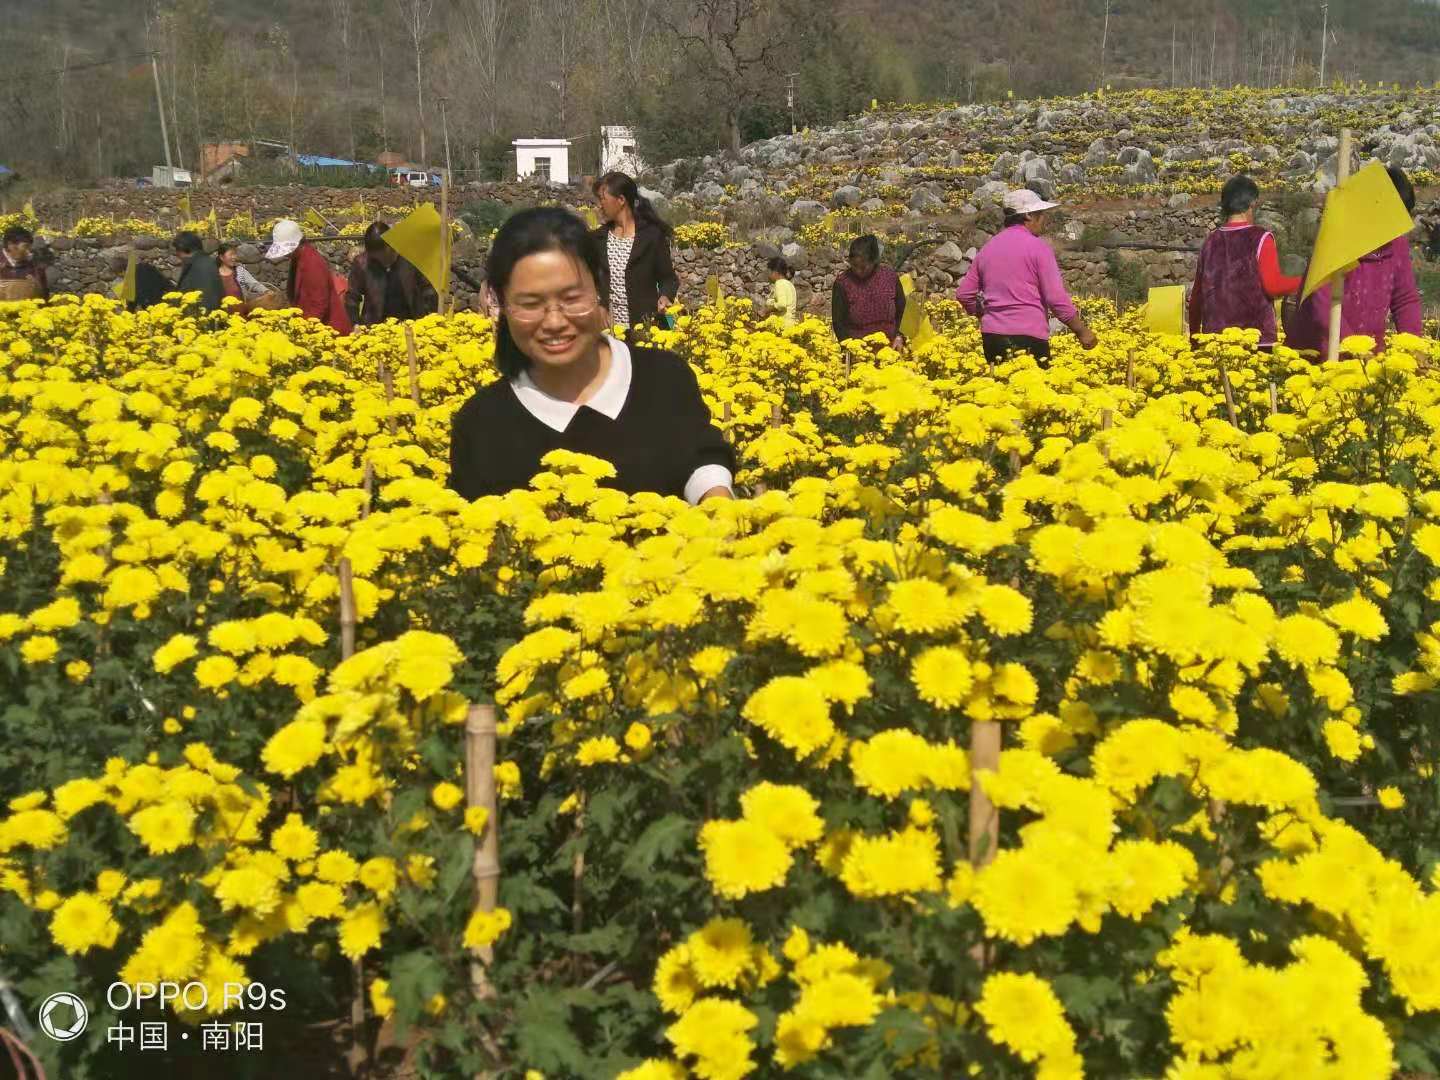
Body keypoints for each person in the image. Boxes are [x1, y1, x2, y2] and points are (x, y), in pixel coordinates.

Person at [449, 207, 734, 504]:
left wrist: (716, 501)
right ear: (500, 303)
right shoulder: (481, 424)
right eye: (531, 304)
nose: (555, 322)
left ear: (598, 288)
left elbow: (701, 457)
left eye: (572, 298)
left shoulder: (664, 378)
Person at [1285, 166, 1423, 355]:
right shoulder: (1338, 237)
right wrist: (1352, 346)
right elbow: (1321, 299)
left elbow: (1405, 299)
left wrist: (1413, 347)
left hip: (1368, 354)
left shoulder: (1396, 245)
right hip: (1318, 352)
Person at [955, 190, 1097, 364]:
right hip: (1029, 338)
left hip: (992, 338)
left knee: (1001, 387)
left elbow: (963, 293)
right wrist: (1081, 331)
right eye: (1041, 214)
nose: (1043, 219)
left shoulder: (988, 248)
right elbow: (1055, 298)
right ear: (1029, 215)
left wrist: (980, 314)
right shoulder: (1038, 248)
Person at [1188, 175, 1302, 349]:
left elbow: (1197, 297)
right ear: (1252, 203)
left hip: (1215, 343)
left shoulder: (1209, 242)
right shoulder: (1260, 238)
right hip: (1256, 341)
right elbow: (1274, 286)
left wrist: (1195, 340)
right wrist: (1307, 280)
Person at [591, 171, 679, 328]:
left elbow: (668, 279)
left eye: (602, 199)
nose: (599, 205)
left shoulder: (651, 236)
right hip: (610, 333)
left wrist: (665, 296)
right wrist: (599, 304)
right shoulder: (598, 239)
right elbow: (589, 281)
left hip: (645, 328)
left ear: (621, 200)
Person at [345, 222, 438, 328]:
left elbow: (428, 290)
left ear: (391, 246)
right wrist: (355, 323)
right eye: (377, 258)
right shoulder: (362, 264)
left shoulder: (410, 258)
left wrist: (431, 318)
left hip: (411, 323)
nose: (382, 261)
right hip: (376, 326)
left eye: (385, 255)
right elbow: (352, 297)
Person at [266, 219, 351, 333]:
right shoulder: (298, 258)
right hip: (311, 323)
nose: (286, 255)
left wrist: (304, 331)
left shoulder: (312, 262)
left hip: (328, 329)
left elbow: (319, 303)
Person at [832, 235, 906, 347]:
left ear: (874, 261)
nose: (858, 271)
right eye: (854, 266)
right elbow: (838, 323)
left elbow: (902, 312)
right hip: (859, 352)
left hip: (891, 349)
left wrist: (899, 336)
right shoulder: (843, 283)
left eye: (863, 267)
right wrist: (851, 348)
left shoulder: (889, 277)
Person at [173, 231, 224, 312]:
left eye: (177, 250)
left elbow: (208, 302)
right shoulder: (200, 263)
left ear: (182, 248)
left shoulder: (203, 266)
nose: (176, 254)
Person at [0, 226, 48, 300]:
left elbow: (45, 298)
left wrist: (37, 288)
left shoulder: (36, 268)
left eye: (29, 248)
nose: (29, 252)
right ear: (11, 245)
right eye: (25, 247)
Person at [767, 257, 798, 327]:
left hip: (782, 325)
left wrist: (766, 310)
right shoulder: (789, 284)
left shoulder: (779, 283)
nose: (769, 275)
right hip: (790, 324)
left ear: (775, 272)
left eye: (770, 272)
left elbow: (781, 305)